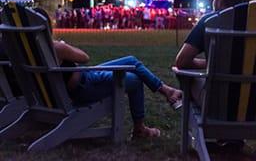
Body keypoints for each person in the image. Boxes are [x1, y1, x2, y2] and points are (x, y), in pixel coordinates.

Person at [34, 8, 182, 139]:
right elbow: (84, 57)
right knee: (135, 79)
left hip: (79, 82)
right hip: (85, 86)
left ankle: (167, 90)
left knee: (131, 61)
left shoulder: (26, 51)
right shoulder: (56, 48)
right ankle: (140, 129)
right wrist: (64, 45)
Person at [175, 0, 245, 105]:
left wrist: (210, 63)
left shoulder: (209, 21)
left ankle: (192, 122)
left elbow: (182, 61)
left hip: (218, 104)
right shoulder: (251, 22)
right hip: (250, 104)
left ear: (218, 0)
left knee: (182, 76)